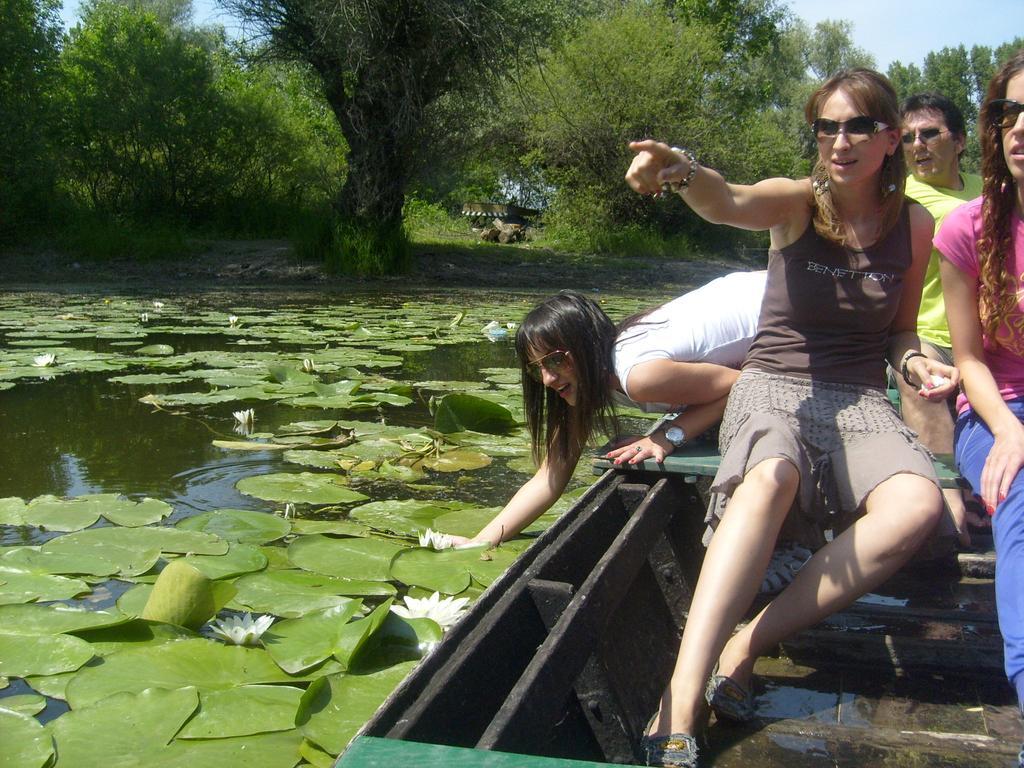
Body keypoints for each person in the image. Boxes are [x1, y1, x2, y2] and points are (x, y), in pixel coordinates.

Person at [624, 68, 957, 768]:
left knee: (918, 505)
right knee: (770, 473)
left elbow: (899, 332)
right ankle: (683, 691)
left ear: (891, 139)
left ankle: (747, 642)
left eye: (858, 126)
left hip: (861, 397)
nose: (840, 140)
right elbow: (730, 201)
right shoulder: (798, 203)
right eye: (827, 126)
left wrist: (916, 362)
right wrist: (681, 169)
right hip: (773, 385)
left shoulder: (915, 223)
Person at [449, 272, 766, 548]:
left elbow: (747, 382)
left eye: (556, 359)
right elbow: (549, 477)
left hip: (794, 308)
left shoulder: (639, 375)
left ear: (585, 348)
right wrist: (480, 542)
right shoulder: (587, 380)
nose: (546, 378)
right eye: (537, 368)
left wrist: (667, 436)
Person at [936, 50, 1024, 763]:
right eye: (1008, 114)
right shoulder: (967, 229)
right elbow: (968, 360)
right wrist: (1009, 432)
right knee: (1019, 496)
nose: (1020, 129)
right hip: (998, 411)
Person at [898, 93, 986, 544]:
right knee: (920, 378)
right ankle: (950, 495)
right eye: (909, 137)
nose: (918, 145)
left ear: (960, 140)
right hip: (926, 333)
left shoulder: (989, 188)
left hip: (988, 336)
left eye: (930, 133)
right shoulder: (901, 199)